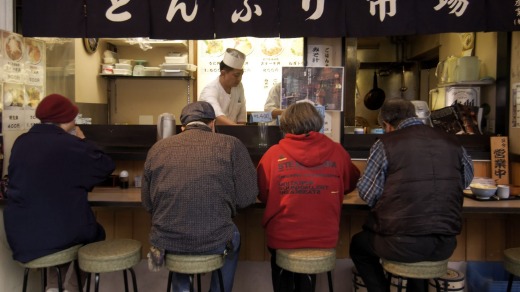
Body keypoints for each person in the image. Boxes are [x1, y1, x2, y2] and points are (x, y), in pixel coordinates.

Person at [350, 98, 474, 292]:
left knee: (358, 246)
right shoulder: (452, 141)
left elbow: (368, 193)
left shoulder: (385, 144)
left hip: (398, 243)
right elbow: (465, 181)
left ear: (387, 125)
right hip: (444, 244)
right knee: (416, 254)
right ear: (414, 115)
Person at [141, 101, 258, 292]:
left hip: (167, 241)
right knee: (233, 235)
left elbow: (147, 203)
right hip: (216, 238)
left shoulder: (158, 148)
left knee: (176, 231)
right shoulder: (231, 144)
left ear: (182, 127)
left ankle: (182, 289)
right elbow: (247, 198)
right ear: (213, 124)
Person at [3, 93, 115, 292]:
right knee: (93, 234)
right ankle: (73, 287)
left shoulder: (22, 142)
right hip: (57, 235)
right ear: (67, 119)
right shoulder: (69, 145)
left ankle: (53, 286)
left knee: (61, 231)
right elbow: (105, 166)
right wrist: (83, 140)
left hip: (21, 237)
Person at [257, 102, 360, 292]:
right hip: (324, 238)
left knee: (282, 268)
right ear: (318, 122)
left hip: (283, 239)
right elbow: (350, 183)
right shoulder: (337, 151)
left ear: (285, 125)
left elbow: (262, 194)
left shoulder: (273, 155)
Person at [199, 48, 247, 125]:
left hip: (233, 133)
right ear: (223, 73)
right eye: (236, 75)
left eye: (241, 75)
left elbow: (242, 114)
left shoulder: (239, 86)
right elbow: (217, 116)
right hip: (212, 134)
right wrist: (238, 129)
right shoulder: (210, 90)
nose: (239, 79)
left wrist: (241, 132)